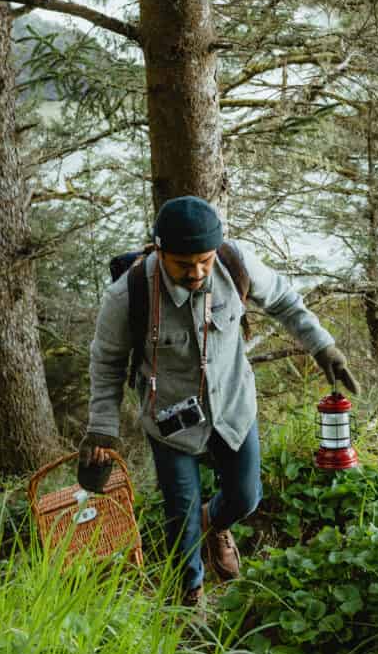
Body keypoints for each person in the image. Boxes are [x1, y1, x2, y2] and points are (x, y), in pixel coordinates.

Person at [81, 196, 358, 607]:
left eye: (204, 262)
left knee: (246, 497)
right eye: (183, 264)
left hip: (232, 406)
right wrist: (102, 427)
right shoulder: (129, 295)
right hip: (169, 420)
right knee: (181, 516)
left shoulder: (235, 264)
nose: (196, 273)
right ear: (160, 251)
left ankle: (216, 522)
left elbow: (284, 300)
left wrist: (323, 348)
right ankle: (190, 597)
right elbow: (105, 364)